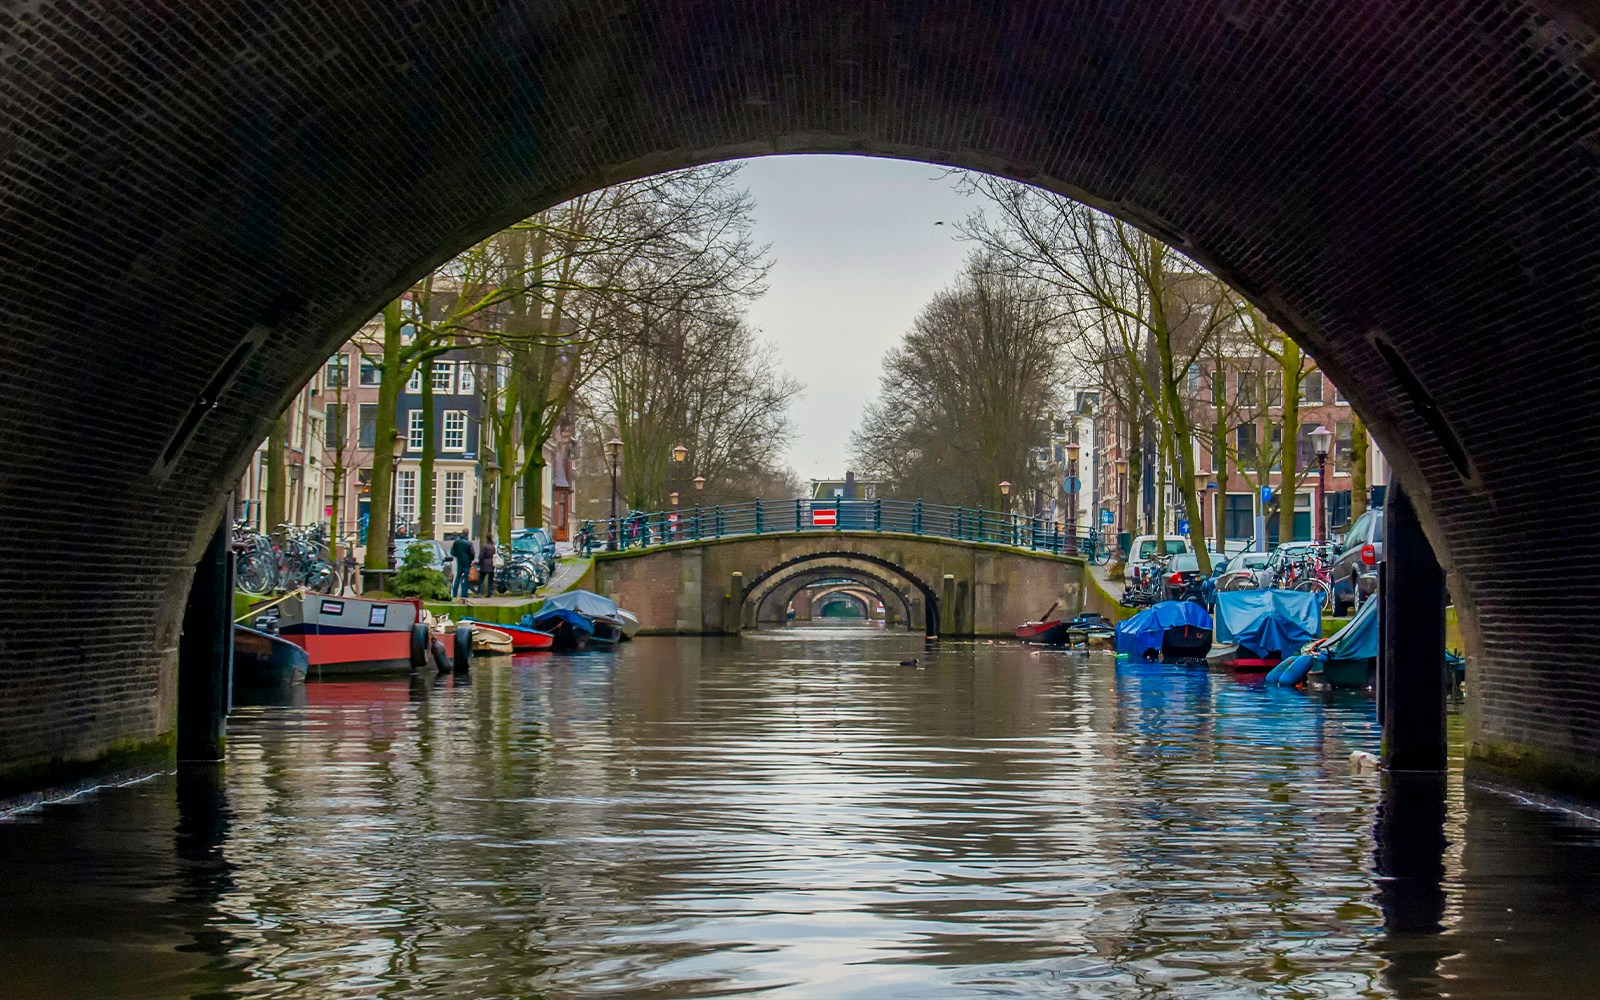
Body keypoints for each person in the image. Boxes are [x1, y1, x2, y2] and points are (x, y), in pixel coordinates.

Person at [450, 532, 475, 600]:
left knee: (458, 576)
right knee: (466, 577)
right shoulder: (469, 543)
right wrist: (470, 559)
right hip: (467, 562)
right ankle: (464, 593)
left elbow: (452, 552)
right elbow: (472, 553)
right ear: (467, 534)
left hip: (459, 561)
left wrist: (458, 556)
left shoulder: (456, 542)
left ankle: (454, 593)